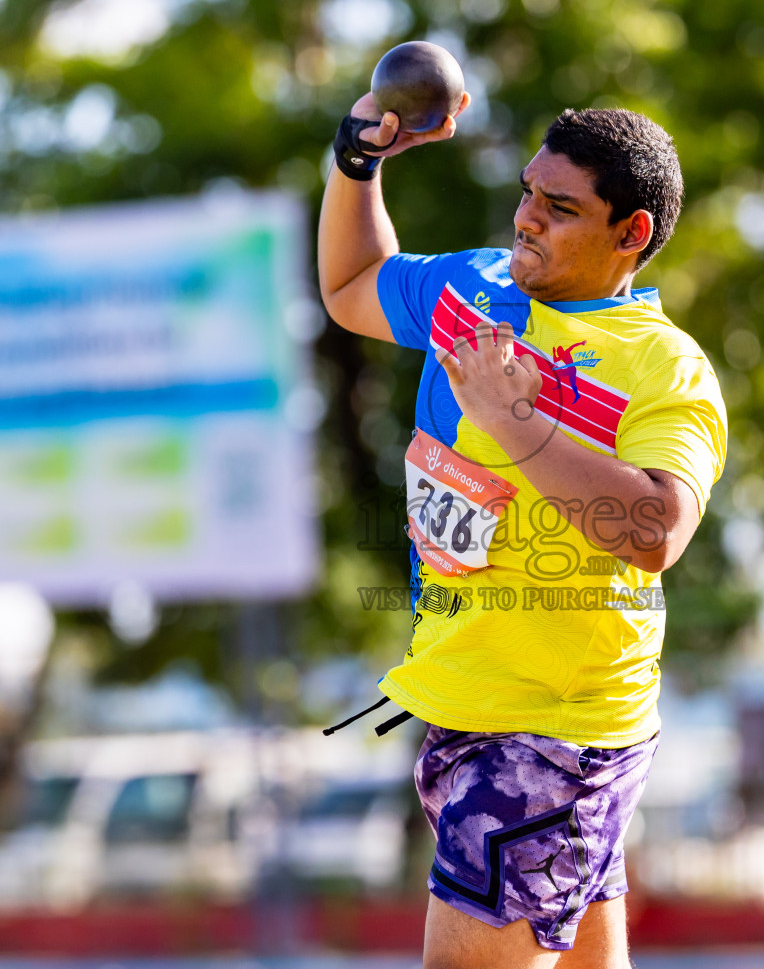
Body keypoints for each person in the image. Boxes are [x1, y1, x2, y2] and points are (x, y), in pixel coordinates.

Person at [317, 87, 726, 967]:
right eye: (530, 192)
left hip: (554, 731)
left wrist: (516, 423)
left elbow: (656, 528)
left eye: (562, 207)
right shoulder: (475, 285)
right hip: (466, 704)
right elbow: (351, 288)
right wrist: (358, 164)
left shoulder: (666, 367)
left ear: (633, 235)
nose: (528, 218)